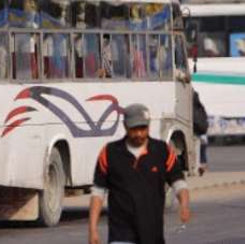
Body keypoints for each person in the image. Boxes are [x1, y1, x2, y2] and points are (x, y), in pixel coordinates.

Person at [88, 104, 190, 244]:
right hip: (121, 232)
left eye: (143, 129)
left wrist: (184, 204)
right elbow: (98, 192)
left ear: (148, 126)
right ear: (125, 126)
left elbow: (178, 182)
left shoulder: (162, 151)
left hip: (152, 233)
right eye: (134, 129)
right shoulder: (110, 152)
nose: (139, 134)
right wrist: (92, 228)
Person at [192, 91, 209, 176]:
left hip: (196, 134)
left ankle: (198, 168)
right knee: (202, 153)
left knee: (196, 152)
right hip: (203, 134)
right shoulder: (201, 107)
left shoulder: (191, 108)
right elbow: (205, 117)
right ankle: (203, 168)